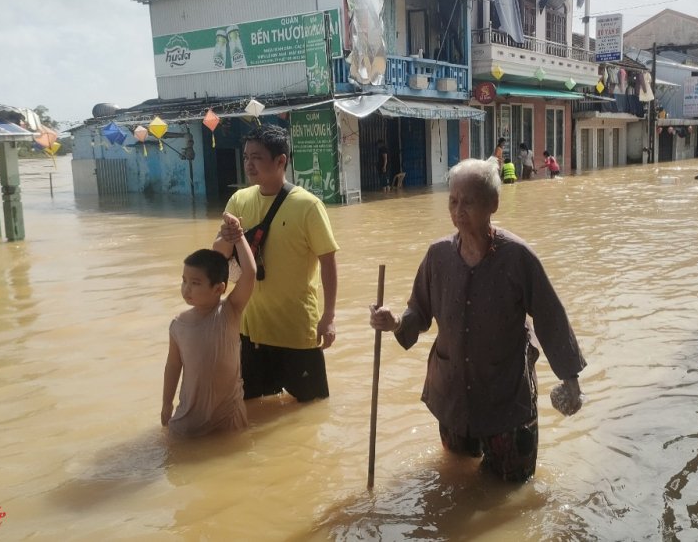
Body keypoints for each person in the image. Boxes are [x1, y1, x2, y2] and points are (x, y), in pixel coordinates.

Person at [368, 159, 586, 482]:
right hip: (452, 398)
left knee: (509, 492)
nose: (458, 210)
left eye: (468, 202)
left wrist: (571, 381)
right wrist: (395, 321)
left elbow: (550, 316)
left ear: (493, 204)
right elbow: (419, 312)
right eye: (453, 201)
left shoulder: (517, 257)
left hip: (506, 400)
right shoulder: (437, 256)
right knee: (455, 478)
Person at [222, 124, 340, 402]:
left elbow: (329, 262)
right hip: (250, 330)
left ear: (281, 160)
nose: (249, 164)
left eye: (257, 157)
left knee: (312, 409)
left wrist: (329, 317)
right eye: (246, 157)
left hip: (297, 330)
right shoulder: (239, 201)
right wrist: (226, 237)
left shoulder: (308, 206)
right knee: (250, 407)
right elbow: (221, 255)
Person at [161, 226, 257, 436]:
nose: (187, 289)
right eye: (184, 281)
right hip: (190, 420)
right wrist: (167, 403)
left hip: (229, 418)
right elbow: (173, 364)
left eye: (195, 283)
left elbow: (249, 273)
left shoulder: (229, 312)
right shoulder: (178, 325)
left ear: (218, 289)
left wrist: (239, 237)